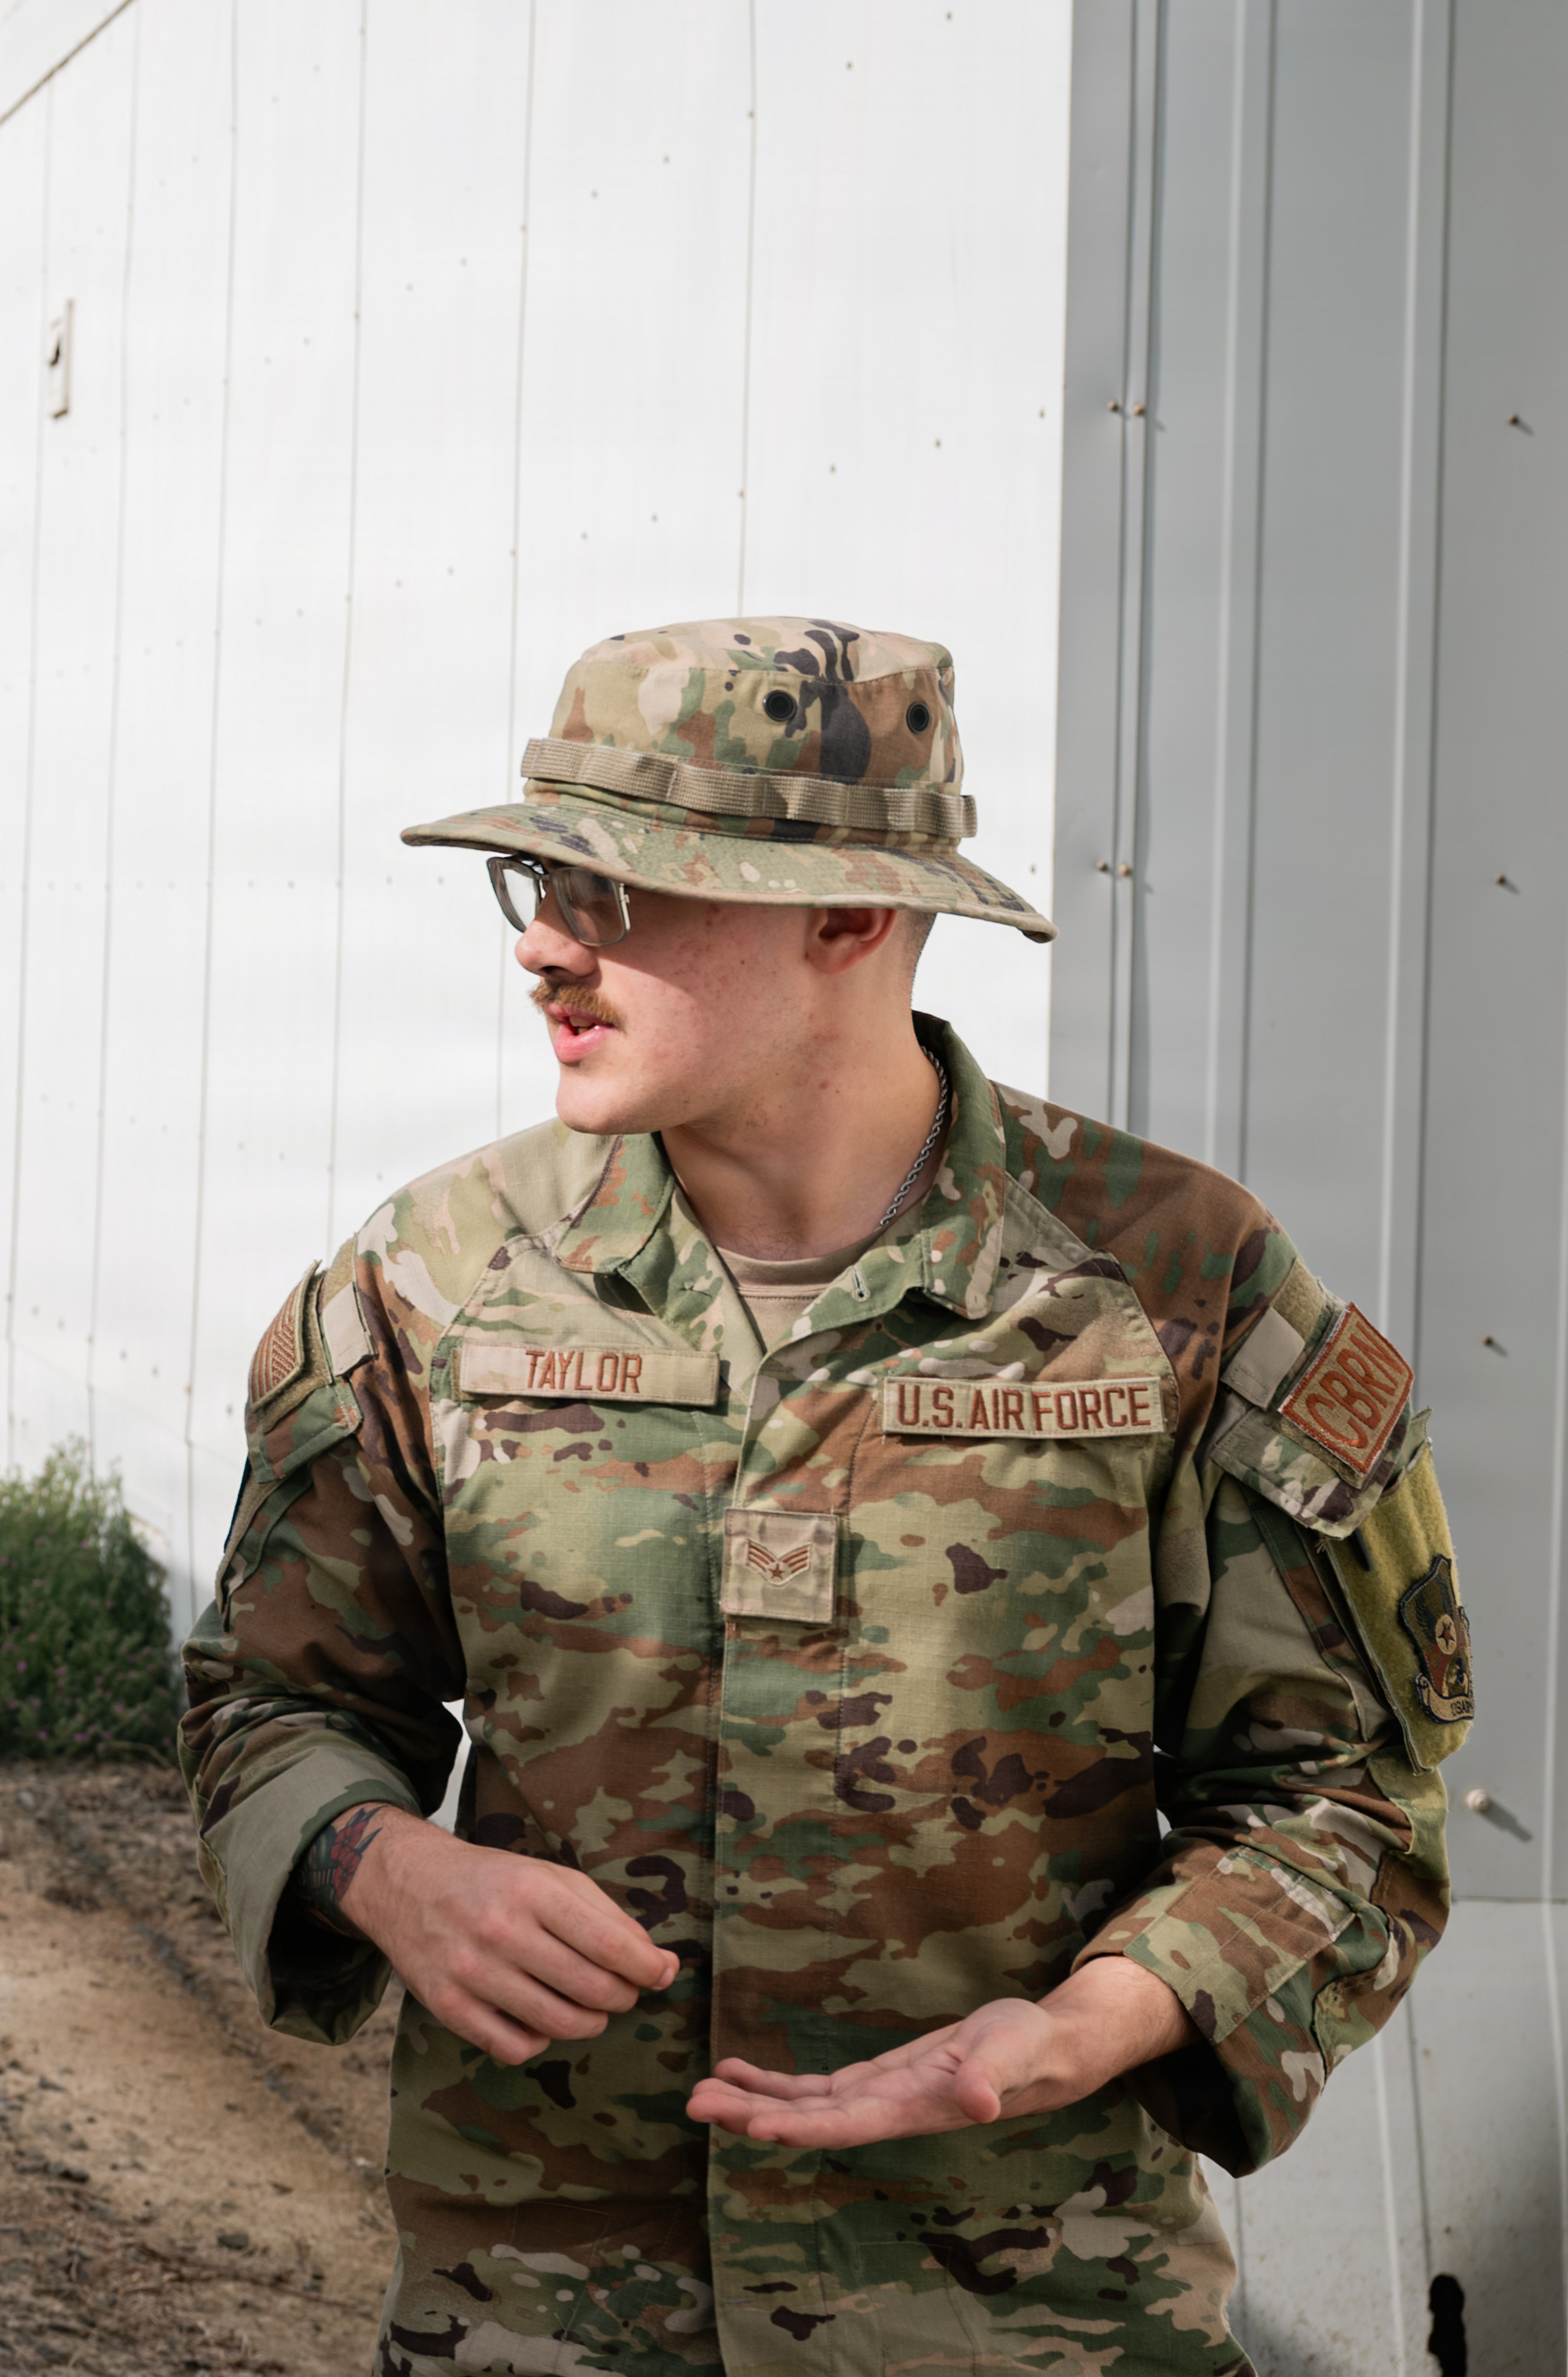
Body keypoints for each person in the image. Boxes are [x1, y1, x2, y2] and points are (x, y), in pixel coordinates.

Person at [185, 618, 1462, 2375]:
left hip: (1024, 2314)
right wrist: (381, 1863)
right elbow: (268, 1698)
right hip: (544, 2315)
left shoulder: (1171, 1282)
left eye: (615, 895)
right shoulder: (428, 1284)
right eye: (528, 886)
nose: (546, 952)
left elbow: (1343, 1797)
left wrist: (1091, 2026)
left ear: (849, 918)